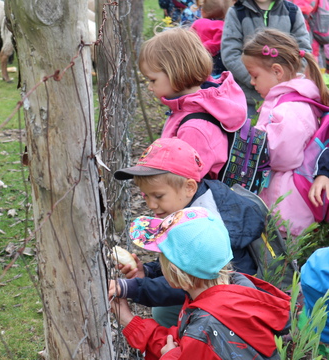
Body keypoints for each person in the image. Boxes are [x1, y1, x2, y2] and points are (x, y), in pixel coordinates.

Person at [110, 137, 266, 327]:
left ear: (189, 187)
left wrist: (132, 288)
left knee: (164, 311)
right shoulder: (190, 208)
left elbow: (189, 281)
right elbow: (182, 258)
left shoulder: (202, 226)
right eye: (146, 196)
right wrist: (149, 272)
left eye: (158, 196)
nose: (151, 205)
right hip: (211, 288)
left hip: (230, 307)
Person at [110, 207, 291, 359]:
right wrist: (131, 322)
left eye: (161, 259)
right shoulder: (235, 288)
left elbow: (187, 347)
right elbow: (183, 342)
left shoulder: (206, 326)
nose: (158, 265)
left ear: (175, 274)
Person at [242, 28, 329, 237]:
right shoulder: (285, 101)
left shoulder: (290, 109)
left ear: (277, 71)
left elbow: (283, 156)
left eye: (255, 76)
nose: (252, 83)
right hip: (285, 203)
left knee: (281, 264)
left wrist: (249, 136)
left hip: (286, 209)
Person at [138, 26, 247, 181]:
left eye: (152, 80)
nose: (149, 86)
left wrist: (158, 196)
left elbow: (186, 182)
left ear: (175, 72)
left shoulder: (194, 128)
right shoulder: (192, 106)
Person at [221, 0, 312, 118]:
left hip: (286, 98)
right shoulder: (237, 12)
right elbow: (230, 55)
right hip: (249, 100)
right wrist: (257, 79)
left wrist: (282, 81)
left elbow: (303, 51)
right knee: (251, 134)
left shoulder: (292, 11)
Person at [190, 0, 234, 78]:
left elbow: (188, 37)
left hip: (195, 57)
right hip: (214, 60)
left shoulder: (197, 23)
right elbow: (216, 43)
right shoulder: (222, 26)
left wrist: (196, 49)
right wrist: (205, 48)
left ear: (202, 11)